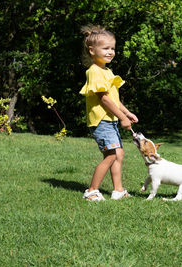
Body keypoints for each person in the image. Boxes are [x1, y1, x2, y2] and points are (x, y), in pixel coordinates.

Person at [79, 25, 138, 201]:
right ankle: (92, 191)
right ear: (92, 50)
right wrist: (122, 118)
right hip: (101, 121)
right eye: (105, 48)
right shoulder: (94, 72)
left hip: (110, 119)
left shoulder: (107, 71)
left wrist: (126, 113)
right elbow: (104, 99)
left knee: (118, 154)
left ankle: (118, 190)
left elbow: (113, 98)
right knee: (111, 155)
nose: (110, 52)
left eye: (112, 48)